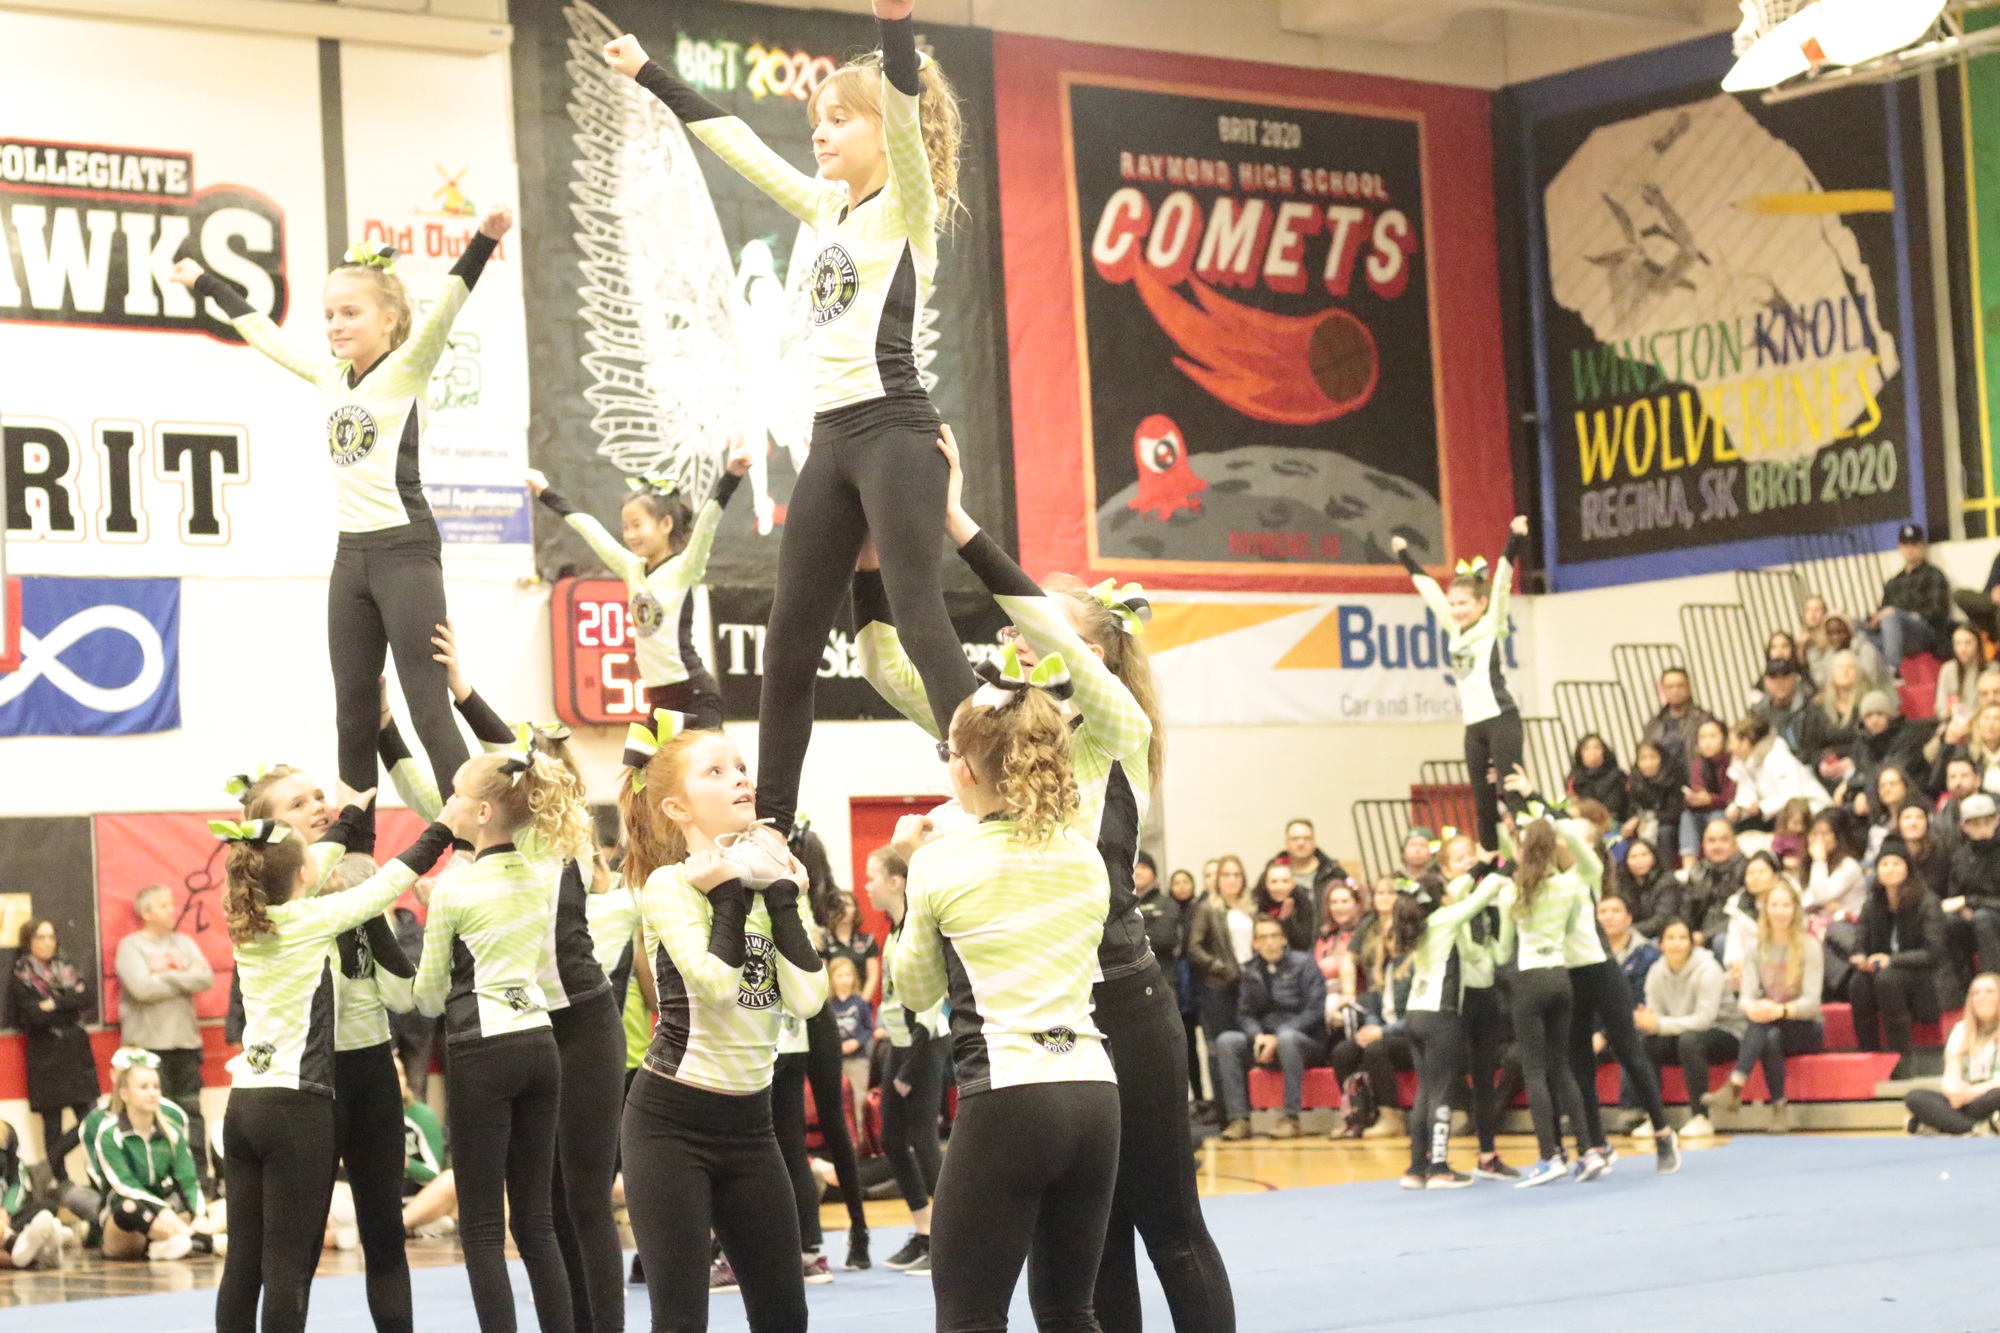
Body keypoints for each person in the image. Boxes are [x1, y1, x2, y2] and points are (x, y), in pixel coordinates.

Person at [864, 430, 1232, 1333]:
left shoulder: (1113, 735)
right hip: (1042, 1022)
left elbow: (1050, 635)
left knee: (1170, 1225)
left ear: (1088, 652)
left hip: (1123, 999)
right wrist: (868, 559)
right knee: (1091, 1255)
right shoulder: (998, 734)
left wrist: (960, 525)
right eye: (1014, 635)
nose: (1015, 645)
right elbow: (883, 664)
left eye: (1036, 634)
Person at [604, 4, 977, 843]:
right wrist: (649, 74)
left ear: (887, 132)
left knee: (920, 619)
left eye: (840, 119)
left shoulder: (906, 203)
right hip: (832, 441)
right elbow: (736, 141)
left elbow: (906, 99)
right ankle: (771, 825)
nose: (820, 132)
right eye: (817, 120)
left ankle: (994, 792)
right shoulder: (825, 210)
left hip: (895, 433)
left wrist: (895, 25)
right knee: (787, 646)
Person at [170, 210, 511, 803]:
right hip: (351, 557)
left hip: (406, 552)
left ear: (389, 319)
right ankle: (354, 840)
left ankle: (473, 836)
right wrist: (203, 281)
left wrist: (484, 240)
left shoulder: (406, 368)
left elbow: (446, 307)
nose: (335, 325)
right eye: (329, 314)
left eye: (351, 313)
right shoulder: (330, 377)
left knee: (426, 703)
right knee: (354, 708)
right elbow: (262, 331)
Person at [883, 658, 1123, 1333]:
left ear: (963, 770)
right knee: (1070, 1311)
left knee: (969, 1316)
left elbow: (917, 990)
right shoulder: (1084, 856)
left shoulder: (938, 862)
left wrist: (910, 875)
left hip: (1012, 1093)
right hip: (1092, 1092)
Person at [212, 801, 455, 1333]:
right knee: (286, 1266)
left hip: (249, 1099)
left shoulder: (248, 920)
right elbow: (387, 883)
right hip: (298, 1103)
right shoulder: (314, 918)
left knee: (247, 1263)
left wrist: (349, 816)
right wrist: (444, 828)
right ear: (305, 873)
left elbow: (310, 861)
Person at [617, 724, 827, 1333]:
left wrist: (783, 900)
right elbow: (716, 984)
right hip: (670, 1127)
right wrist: (730, 898)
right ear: (677, 808)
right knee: (682, 1319)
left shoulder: (770, 884)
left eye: (739, 767)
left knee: (785, 1316)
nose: (740, 778)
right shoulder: (670, 885)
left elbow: (808, 1000)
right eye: (716, 771)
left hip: (752, 1129)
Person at [411, 748, 595, 1333]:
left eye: (457, 796)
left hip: (483, 1048)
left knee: (483, 1227)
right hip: (538, 1041)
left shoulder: (455, 891)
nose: (449, 805)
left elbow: (428, 997)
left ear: (484, 812)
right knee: (536, 1221)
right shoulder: (537, 876)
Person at [526, 443, 749, 727]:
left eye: (637, 525)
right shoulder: (632, 569)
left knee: (705, 759)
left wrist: (731, 477)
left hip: (693, 695)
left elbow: (707, 525)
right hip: (658, 701)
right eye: (626, 527)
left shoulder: (683, 568)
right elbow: (591, 530)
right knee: (636, 760)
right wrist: (546, 492)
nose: (630, 535)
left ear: (666, 524)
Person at [1392, 515, 1530, 856]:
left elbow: (1501, 582)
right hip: (1474, 726)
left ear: (1481, 604)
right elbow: (1430, 591)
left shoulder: (1492, 623)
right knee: (1482, 801)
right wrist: (1405, 556)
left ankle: (1531, 853)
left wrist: (1514, 539)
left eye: (1463, 604)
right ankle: (1490, 859)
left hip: (1501, 718)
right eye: (1453, 605)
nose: (1455, 610)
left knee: (1511, 790)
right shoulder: (1454, 630)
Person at [1385, 864, 1506, 1189]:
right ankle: (1439, 1168)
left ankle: (1416, 1167)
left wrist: (1477, 866)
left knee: (1425, 1091)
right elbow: (1482, 896)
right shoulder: (1445, 919)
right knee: (1441, 1092)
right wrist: (1500, 870)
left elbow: (1456, 890)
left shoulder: (1420, 923)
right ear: (1440, 898)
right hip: (1441, 1017)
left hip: (1415, 1015)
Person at [860, 844, 947, 1275]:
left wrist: (910, 1067)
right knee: (892, 1139)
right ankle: (925, 1231)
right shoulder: (893, 930)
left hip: (924, 1044)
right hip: (898, 1042)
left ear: (896, 882)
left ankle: (950, 1237)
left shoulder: (917, 927)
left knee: (924, 1139)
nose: (866, 886)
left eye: (872, 877)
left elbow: (931, 1003)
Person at [1494, 819, 1593, 1187]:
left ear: (1522, 850)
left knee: (1534, 1071)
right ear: (1553, 849)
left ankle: (1549, 1155)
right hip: (1560, 977)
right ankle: (1588, 1151)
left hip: (1529, 979)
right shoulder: (1568, 886)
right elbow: (1569, 929)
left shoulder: (1513, 892)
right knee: (1561, 1066)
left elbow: (1503, 949)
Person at [115, 885, 216, 1195]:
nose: (172, 910)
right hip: (147, 1049)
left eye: (171, 904)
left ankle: (200, 1182)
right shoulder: (131, 947)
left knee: (191, 1115)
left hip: (185, 1044)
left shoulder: (183, 943)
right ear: (146, 913)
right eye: (163, 906)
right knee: (156, 1116)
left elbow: (205, 978)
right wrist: (184, 977)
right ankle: (165, 1186)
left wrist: (163, 977)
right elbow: (141, 988)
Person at [1710, 880, 1822, 1132]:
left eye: (1786, 905)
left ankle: (1736, 1086)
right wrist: (1752, 1008)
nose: (1780, 911)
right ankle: (1777, 1108)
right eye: (1774, 905)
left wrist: (1781, 1010)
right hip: (1769, 1024)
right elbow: (1746, 997)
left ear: (1795, 909)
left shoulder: (1810, 946)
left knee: (1767, 1027)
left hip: (1805, 1026)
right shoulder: (1755, 947)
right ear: (1766, 909)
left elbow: (1812, 1003)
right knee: (1768, 1034)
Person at [86, 1049, 217, 1261]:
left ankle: (168, 1244)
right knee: (129, 1207)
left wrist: (200, 1215)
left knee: (224, 1208)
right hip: (130, 1219)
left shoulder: (171, 1131)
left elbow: (188, 1181)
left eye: (156, 1087)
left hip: (165, 1211)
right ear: (124, 1094)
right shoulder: (109, 1134)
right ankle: (202, 1242)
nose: (152, 1093)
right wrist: (163, 1211)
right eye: (144, 1087)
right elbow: (125, 1185)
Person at [1214, 918, 1327, 1141]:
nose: (1270, 942)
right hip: (1265, 1040)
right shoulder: (1251, 970)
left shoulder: (1305, 963)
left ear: (1284, 939)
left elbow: (1315, 1010)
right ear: (1255, 943)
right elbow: (1245, 1014)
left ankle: (1291, 1118)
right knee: (1227, 1041)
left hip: (1305, 1041)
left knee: (1287, 1038)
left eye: (1274, 936)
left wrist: (1277, 1036)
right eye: (1263, 937)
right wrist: (1257, 1035)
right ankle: (1239, 1120)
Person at [11, 920, 100, 1188]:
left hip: (76, 1054)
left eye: (51, 936)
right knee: (52, 1124)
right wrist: (67, 1005)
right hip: (46, 1057)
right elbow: (36, 1017)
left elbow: (87, 997)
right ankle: (61, 1183)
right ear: (28, 942)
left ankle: (90, 1177)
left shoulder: (66, 968)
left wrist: (54, 1003)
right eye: (40, 937)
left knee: (92, 1120)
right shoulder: (21, 976)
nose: (47, 943)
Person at [1848, 839, 1948, 1074]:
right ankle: (1869, 1055)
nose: (1890, 869)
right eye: (1884, 864)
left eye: (1896, 863)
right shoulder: (1872, 904)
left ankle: (1902, 1060)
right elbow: (1859, 942)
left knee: (1887, 979)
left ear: (1907, 868)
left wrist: (1891, 960)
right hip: (1884, 974)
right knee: (1858, 983)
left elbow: (1934, 952)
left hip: (1921, 978)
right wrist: (1860, 957)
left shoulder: (1927, 901)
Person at [1638, 920, 1744, 1138]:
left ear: (1691, 943)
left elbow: (1704, 1020)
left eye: (1682, 938)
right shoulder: (1655, 972)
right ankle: (1654, 1119)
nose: (1677, 943)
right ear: (1661, 944)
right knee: (1646, 1043)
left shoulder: (1708, 969)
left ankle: (1701, 1117)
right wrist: (1648, 1022)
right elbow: (1655, 1016)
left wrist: (1659, 1024)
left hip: (1725, 1032)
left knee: (1690, 1041)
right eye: (1671, 938)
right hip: (1681, 1033)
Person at [1904, 973, 2000, 1134]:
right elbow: (1951, 1075)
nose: (1982, 997)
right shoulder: (1961, 1030)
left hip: (1990, 1096)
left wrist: (1972, 1093)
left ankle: (1941, 1124)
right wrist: (1953, 1091)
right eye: (1976, 993)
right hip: (1966, 1100)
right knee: (1915, 1097)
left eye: (1990, 992)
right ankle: (1975, 1129)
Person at [1864, 523, 1955, 679]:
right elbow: (1884, 610)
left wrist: (1903, 615)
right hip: (1895, 634)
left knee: (1891, 616)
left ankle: (1892, 671)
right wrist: (1875, 619)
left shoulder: (1934, 575)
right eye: (1906, 544)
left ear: (1923, 546)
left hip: (1925, 633)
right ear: (1900, 547)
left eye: (1914, 544)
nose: (1910, 549)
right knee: (1858, 627)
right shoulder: (1893, 582)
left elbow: (1938, 613)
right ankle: (1866, 676)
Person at [1726, 714, 1831, 830]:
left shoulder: (1777, 757)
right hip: (1781, 818)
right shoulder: (1745, 765)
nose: (1730, 748)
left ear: (1745, 743)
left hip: (1814, 812)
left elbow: (1793, 795)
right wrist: (1738, 809)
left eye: (1732, 742)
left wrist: (1761, 807)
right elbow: (1746, 795)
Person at [1751, 658, 1846, 773]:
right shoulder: (1759, 717)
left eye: (1785, 676)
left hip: (1815, 770)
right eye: (1774, 678)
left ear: (1795, 678)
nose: (1780, 683)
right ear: (1766, 682)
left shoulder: (1814, 706)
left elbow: (1833, 743)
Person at [1945, 793, 2000, 982]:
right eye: (1975, 824)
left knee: (1982, 918)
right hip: (1973, 917)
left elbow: (1964, 899)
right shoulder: (1959, 856)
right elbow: (1953, 898)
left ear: (1997, 820)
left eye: (1987, 822)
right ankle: (1960, 987)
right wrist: (1962, 908)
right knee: (1949, 922)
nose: (1982, 829)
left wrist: (1969, 902)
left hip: (1990, 917)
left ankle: (1992, 984)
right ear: (1964, 826)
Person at [825, 957, 874, 1141]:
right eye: (839, 976)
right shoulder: (828, 1005)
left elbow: (868, 1029)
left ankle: (861, 1139)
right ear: (831, 979)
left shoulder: (860, 1003)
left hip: (858, 1060)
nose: (844, 980)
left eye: (848, 975)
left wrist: (857, 1042)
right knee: (837, 1101)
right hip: (836, 1061)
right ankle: (842, 1140)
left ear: (854, 978)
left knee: (859, 1098)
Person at [1684, 818, 1747, 951]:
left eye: (1724, 840)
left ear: (1734, 843)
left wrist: (1705, 936)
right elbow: (1687, 911)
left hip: (1734, 936)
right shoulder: (1697, 872)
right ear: (1703, 845)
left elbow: (1744, 915)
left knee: (1720, 941)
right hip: (1699, 937)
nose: (1717, 846)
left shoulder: (1747, 870)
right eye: (1711, 841)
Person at [1680, 718, 1736, 863]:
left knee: (1717, 815)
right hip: (1705, 809)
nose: (1707, 742)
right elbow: (1698, 788)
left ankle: (1721, 860)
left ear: (1723, 739)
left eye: (1712, 736)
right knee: (1687, 816)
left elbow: (1731, 796)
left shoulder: (1733, 760)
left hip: (1730, 811)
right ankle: (1688, 866)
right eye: (1703, 737)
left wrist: (1711, 799)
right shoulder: (1697, 764)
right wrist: (1694, 799)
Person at [1642, 666, 1717, 772]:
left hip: (1697, 777)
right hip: (1664, 780)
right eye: (1670, 687)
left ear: (1689, 688)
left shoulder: (1704, 720)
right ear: (1663, 690)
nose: (1675, 691)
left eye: (1680, 686)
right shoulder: (1653, 725)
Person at [1623, 741, 1685, 870]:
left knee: (1664, 832)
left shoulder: (1673, 777)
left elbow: (1674, 813)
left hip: (1672, 825)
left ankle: (1667, 873)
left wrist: (1647, 819)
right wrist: (1634, 821)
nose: (1648, 763)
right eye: (1643, 759)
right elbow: (1632, 810)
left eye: (1652, 757)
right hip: (1646, 824)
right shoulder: (1635, 781)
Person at [1273, 819, 1351, 918]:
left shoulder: (1334, 872)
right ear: (1286, 843)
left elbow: (1355, 900)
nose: (1301, 843)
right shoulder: (1273, 873)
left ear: (1314, 841)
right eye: (1295, 839)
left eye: (1307, 838)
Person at [819, 892, 883, 1007]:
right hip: (832, 1006)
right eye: (839, 905)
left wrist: (861, 1004)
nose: (843, 909)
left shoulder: (867, 941)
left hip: (861, 1004)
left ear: (855, 910)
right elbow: (821, 978)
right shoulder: (823, 943)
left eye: (847, 905)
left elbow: (873, 976)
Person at [1803, 811, 1867, 926]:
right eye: (1814, 833)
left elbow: (1821, 897)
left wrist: (1819, 861)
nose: (1818, 840)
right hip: (1819, 924)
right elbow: (1805, 901)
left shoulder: (1849, 865)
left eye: (1825, 833)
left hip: (1848, 926)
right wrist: (1821, 907)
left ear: (1838, 837)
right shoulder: (1807, 863)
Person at [1619, 839, 1683, 942]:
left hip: (1661, 938)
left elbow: (1662, 920)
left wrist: (1626, 931)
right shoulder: (1622, 885)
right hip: (1629, 936)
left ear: (1653, 858)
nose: (1639, 860)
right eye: (1634, 856)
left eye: (1644, 855)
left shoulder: (1667, 882)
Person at [1251, 860, 1314, 954]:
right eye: (1274, 882)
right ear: (1266, 884)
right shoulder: (1257, 903)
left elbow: (1304, 943)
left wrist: (1286, 920)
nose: (1279, 887)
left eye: (1285, 881)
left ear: (1293, 884)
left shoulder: (1303, 903)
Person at [1567, 734, 1630, 825]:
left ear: (1604, 752)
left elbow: (1614, 808)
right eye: (1586, 749)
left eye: (1596, 748)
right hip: (1582, 823)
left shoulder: (1617, 777)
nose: (1592, 752)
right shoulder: (1574, 778)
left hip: (1612, 822)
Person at [1936, 625, 1986, 722]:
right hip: (1955, 722)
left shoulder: (1992, 669)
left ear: (1978, 644)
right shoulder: (1947, 669)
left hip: (1983, 723)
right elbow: (1940, 707)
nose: (1963, 649)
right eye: (1958, 643)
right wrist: (1947, 712)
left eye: (1968, 643)